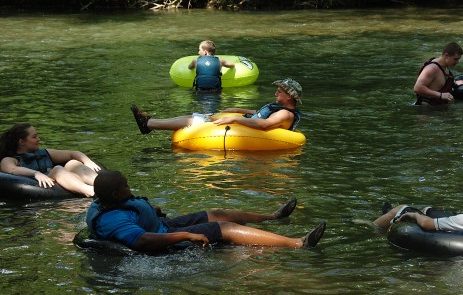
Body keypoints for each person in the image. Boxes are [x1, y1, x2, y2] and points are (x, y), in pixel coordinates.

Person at [86, 170, 327, 253]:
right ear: (116, 194)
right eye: (126, 185)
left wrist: (148, 210)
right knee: (225, 229)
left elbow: (134, 215)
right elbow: (142, 240)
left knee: (218, 213)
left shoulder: (110, 201)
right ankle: (298, 244)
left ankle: (274, 216)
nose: (130, 187)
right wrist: (187, 235)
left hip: (163, 226)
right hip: (163, 238)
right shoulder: (112, 218)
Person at [131, 78, 303, 135]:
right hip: (244, 123)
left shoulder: (285, 115)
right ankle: (150, 122)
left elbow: (264, 124)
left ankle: (148, 124)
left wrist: (234, 118)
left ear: (289, 96)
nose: (275, 94)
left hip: (245, 131)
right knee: (196, 116)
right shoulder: (279, 109)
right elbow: (258, 114)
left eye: (279, 92)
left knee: (195, 120)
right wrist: (238, 110)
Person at [0, 123, 101, 197]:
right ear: (22, 142)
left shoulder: (45, 153)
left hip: (60, 179)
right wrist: (36, 173)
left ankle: (104, 185)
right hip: (41, 185)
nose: (39, 139)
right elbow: (12, 170)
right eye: (34, 137)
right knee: (57, 169)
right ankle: (91, 191)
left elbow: (72, 153)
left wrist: (87, 161)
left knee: (73, 163)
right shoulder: (9, 160)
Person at [373, 202, 463, 240]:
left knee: (403, 209)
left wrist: (414, 215)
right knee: (429, 211)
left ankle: (371, 226)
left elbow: (426, 224)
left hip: (459, 231)